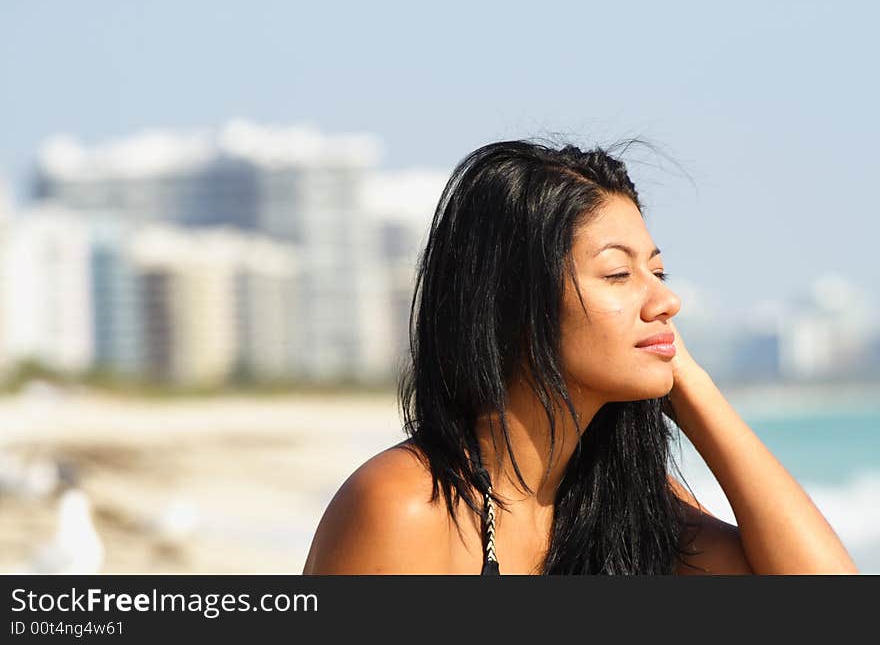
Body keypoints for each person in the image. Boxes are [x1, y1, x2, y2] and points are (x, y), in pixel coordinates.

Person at [302, 139, 859, 575]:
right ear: (514, 306)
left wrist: (692, 386)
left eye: (657, 272)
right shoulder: (405, 507)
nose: (667, 300)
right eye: (618, 274)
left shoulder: (626, 508)